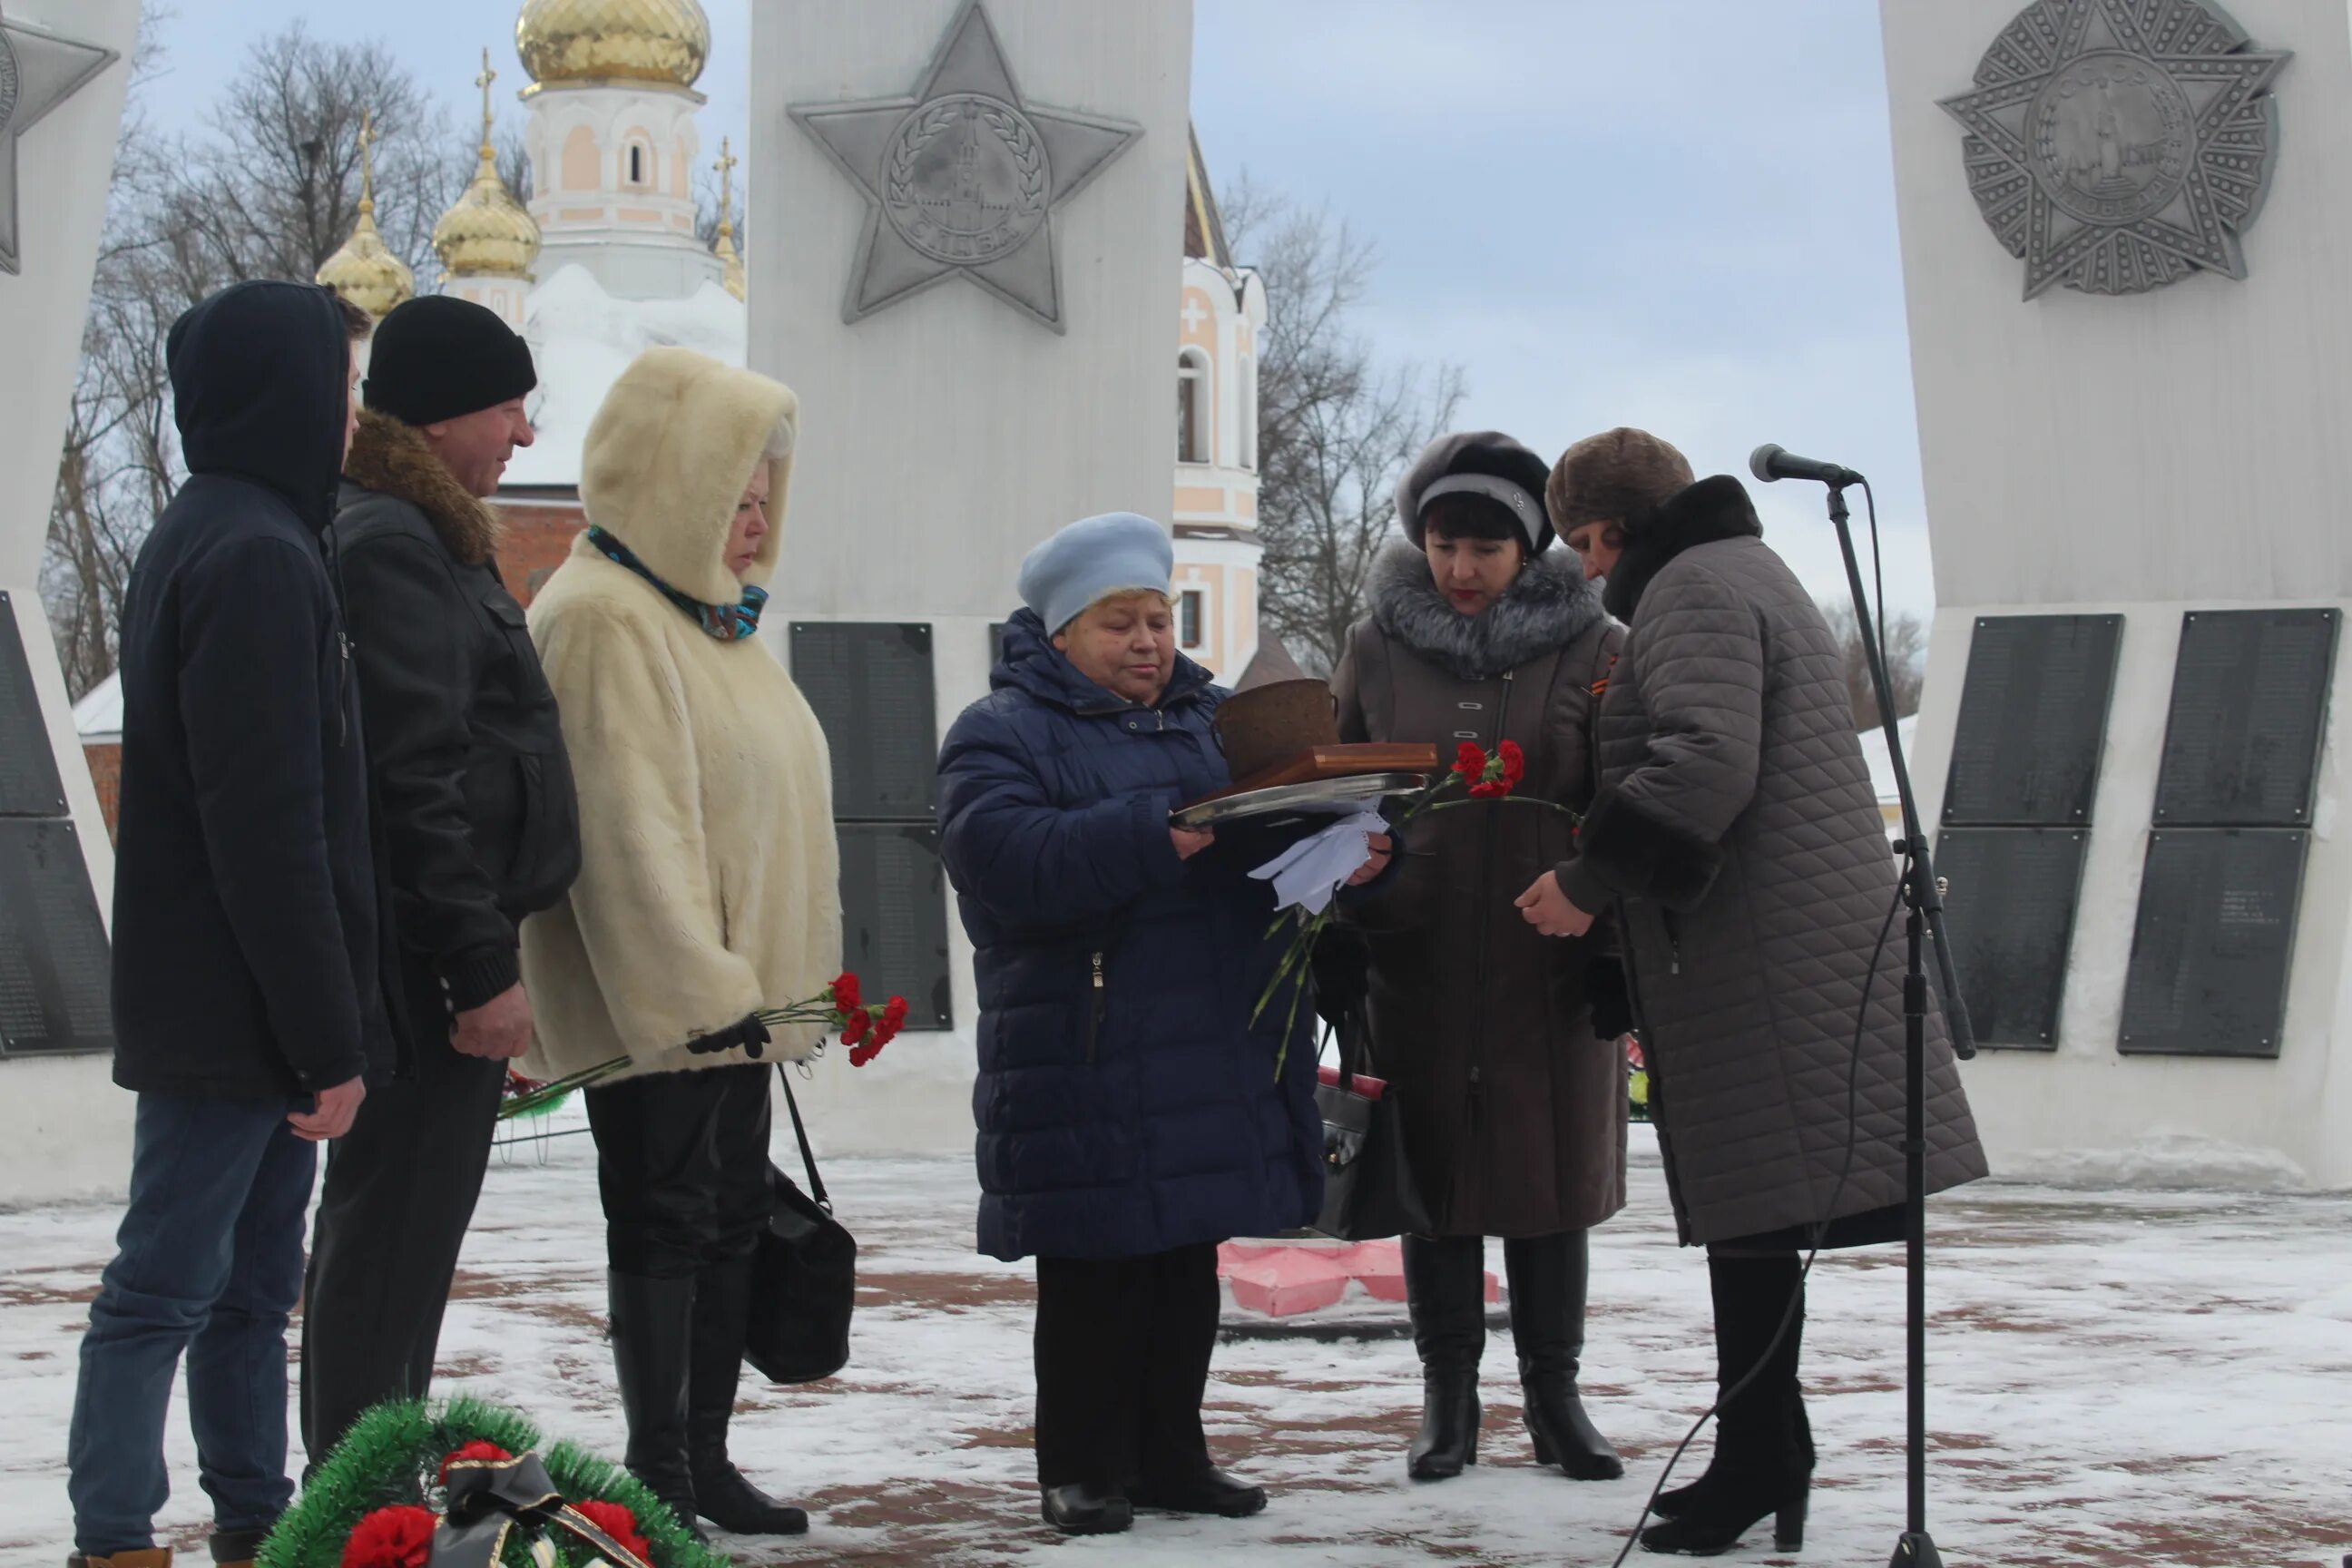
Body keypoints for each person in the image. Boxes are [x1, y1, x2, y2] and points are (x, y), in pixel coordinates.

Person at [1523, 427, 1988, 1556]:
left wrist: (1587, 882)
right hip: (1769, 942)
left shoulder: (1686, 590)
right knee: (1755, 1219)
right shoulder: (1742, 571)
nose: (1585, 569)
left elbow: (1705, 758)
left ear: (1617, 527)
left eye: (1584, 542)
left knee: (1756, 1212)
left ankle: (1760, 1458)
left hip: (1760, 955)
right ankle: (1760, 1451)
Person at [66, 282, 397, 1568]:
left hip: (236, 996)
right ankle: (115, 1534)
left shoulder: (227, 531)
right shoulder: (256, 554)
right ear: (286, 392)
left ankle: (259, 1519)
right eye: (342, 389)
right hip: (237, 1005)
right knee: (167, 1284)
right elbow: (270, 825)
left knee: (252, 1290)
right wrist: (327, 1036)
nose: (353, 417)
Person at [936, 513, 1339, 1538]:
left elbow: (1266, 853)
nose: (1149, 642)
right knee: (1094, 1269)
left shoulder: (1214, 723)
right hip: (1090, 1040)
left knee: (1180, 1261)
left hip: (1207, 1042)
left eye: (1158, 619)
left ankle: (1172, 1454)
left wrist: (1348, 859)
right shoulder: (1003, 731)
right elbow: (1004, 861)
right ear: (1063, 632)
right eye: (1121, 623)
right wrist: (1159, 832)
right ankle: (1078, 1466)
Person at [519, 346, 838, 1541]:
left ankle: (704, 1458)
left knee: (729, 1221)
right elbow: (625, 824)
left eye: (764, 504)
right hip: (669, 1006)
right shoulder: (605, 617)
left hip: (738, 1003)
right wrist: (696, 989)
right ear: (673, 486)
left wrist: (763, 991)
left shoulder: (703, 619)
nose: (752, 527)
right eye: (732, 499)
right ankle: (657, 1470)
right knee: (663, 1220)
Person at [300, 295, 581, 1465]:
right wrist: (475, 966)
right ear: (454, 409)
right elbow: (416, 776)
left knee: (408, 1241)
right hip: (428, 967)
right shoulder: (395, 543)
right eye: (511, 408)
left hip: (444, 950)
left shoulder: (426, 533)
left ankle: (378, 1479)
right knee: (388, 1240)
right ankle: (360, 1497)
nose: (522, 437)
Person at [1328, 430, 1629, 1485]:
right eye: (1446, 545)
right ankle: (1446, 1396)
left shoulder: (1598, 648)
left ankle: (1556, 1396)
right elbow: (1340, 787)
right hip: (1410, 951)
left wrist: (1606, 915)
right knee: (1433, 1178)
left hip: (1551, 956)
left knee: (1549, 1179)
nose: (1461, 570)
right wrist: (1338, 913)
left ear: (1530, 548)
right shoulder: (1376, 643)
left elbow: (1623, 798)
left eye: (1486, 551)